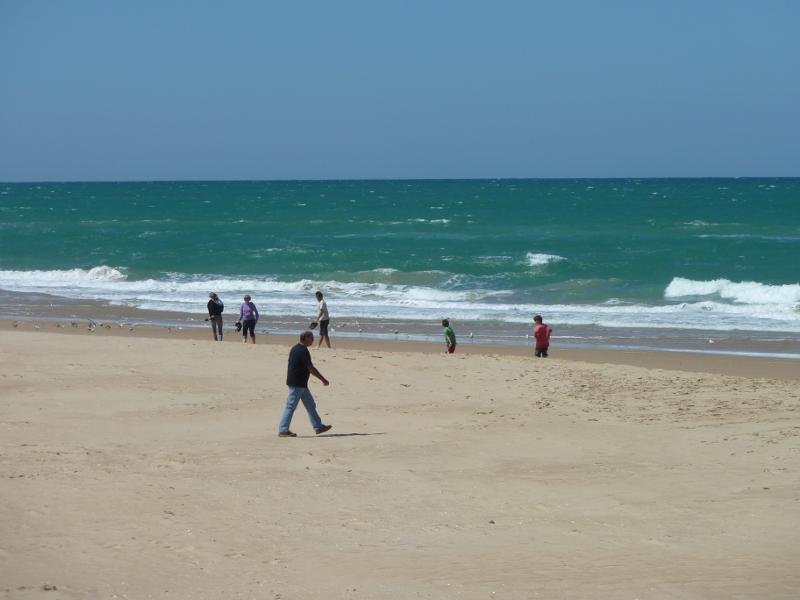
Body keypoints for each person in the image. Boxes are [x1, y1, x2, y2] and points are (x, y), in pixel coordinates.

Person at [278, 330, 333, 437]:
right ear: (306, 338)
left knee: (310, 405)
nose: (312, 340)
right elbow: (310, 368)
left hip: (300, 383)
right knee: (290, 406)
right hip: (297, 383)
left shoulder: (295, 348)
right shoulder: (302, 351)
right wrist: (323, 379)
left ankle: (318, 426)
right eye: (311, 338)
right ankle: (283, 429)